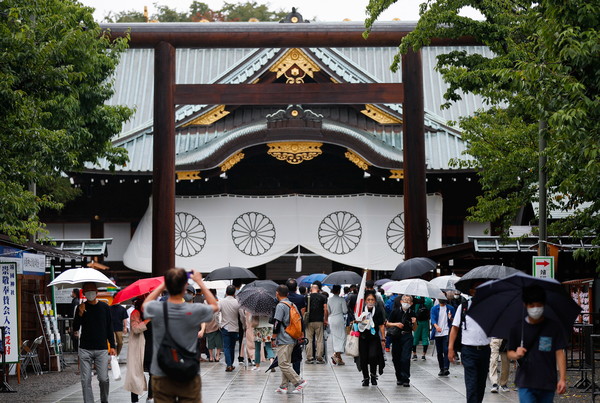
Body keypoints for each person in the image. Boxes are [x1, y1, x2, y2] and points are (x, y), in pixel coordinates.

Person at [143, 268, 218, 403]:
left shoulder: (158, 309)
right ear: (185, 287)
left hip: (161, 372)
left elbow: (145, 305)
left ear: (167, 287)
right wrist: (200, 282)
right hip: (188, 372)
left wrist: (162, 284)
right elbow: (214, 305)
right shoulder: (194, 310)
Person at [507, 285, 567, 402]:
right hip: (526, 381)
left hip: (547, 381)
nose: (536, 308)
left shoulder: (553, 327)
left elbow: (559, 352)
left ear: (544, 304)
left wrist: (563, 378)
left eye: (539, 305)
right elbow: (509, 352)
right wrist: (516, 355)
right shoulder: (518, 327)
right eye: (532, 305)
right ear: (525, 305)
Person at [73, 282, 117, 403]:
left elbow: (109, 327)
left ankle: (104, 400)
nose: (90, 293)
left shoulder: (105, 307)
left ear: (97, 292)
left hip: (101, 348)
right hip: (85, 348)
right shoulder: (81, 307)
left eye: (92, 290)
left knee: (103, 378)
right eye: (87, 290)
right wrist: (80, 314)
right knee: (85, 379)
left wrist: (112, 346)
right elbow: (75, 328)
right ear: (84, 292)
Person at [449, 282, 491, 403]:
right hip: (468, 350)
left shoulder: (489, 307)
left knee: (481, 383)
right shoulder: (463, 307)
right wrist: (451, 348)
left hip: (484, 350)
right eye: (476, 288)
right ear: (471, 291)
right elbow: (455, 328)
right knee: (471, 383)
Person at [273, 285, 308, 394]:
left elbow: (277, 322)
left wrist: (273, 337)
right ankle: (283, 386)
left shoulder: (280, 306)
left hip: (284, 338)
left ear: (277, 293)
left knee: (283, 363)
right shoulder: (292, 304)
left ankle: (299, 381)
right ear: (287, 294)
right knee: (286, 362)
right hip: (292, 337)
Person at [124, 297, 152, 403]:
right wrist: (147, 320)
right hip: (138, 347)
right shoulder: (135, 313)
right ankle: (134, 400)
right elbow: (135, 329)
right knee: (135, 374)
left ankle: (150, 397)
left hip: (151, 346)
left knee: (153, 372)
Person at [356, 291, 386, 386]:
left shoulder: (377, 310)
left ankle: (373, 375)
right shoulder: (361, 311)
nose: (370, 301)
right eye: (368, 299)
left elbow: (381, 325)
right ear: (365, 301)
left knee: (373, 356)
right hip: (363, 337)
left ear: (375, 301)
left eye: (372, 300)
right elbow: (356, 322)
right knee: (363, 358)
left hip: (374, 338)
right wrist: (360, 320)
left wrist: (383, 339)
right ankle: (365, 378)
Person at [386, 294, 417, 386]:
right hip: (396, 337)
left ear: (411, 303)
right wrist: (396, 324)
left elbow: (415, 328)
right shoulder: (395, 311)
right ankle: (399, 377)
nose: (406, 302)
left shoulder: (412, 313)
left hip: (407, 336)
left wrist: (414, 323)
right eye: (404, 300)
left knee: (405, 358)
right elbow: (387, 324)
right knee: (396, 358)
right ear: (401, 301)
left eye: (408, 301)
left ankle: (406, 378)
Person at [219, 285, 243, 372]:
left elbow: (216, 313)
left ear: (226, 292)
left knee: (226, 346)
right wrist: (243, 324)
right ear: (234, 293)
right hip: (234, 326)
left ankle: (229, 364)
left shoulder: (221, 302)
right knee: (232, 346)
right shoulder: (237, 302)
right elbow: (242, 316)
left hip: (225, 326)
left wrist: (219, 324)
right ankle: (231, 364)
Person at [430, 296, 455, 376]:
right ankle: (441, 368)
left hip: (447, 332)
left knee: (446, 350)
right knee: (439, 352)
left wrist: (451, 318)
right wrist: (436, 326)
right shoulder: (434, 308)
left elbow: (454, 320)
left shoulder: (450, 308)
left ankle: (446, 368)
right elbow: (433, 318)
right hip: (438, 333)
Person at [286, 278, 306, 374]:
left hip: (286, 327)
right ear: (296, 288)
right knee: (297, 350)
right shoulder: (301, 298)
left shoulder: (283, 299)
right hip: (297, 327)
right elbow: (302, 313)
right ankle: (296, 372)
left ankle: (289, 374)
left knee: (286, 351)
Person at [304, 281, 328, 364]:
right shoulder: (323, 297)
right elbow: (325, 309)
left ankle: (309, 358)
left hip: (309, 321)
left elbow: (304, 309)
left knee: (309, 339)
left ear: (311, 289)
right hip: (319, 320)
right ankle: (319, 357)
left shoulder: (307, 297)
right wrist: (325, 319)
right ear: (318, 290)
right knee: (319, 340)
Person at [327, 284, 348, 365]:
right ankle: (336, 354)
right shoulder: (341, 299)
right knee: (342, 337)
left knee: (335, 337)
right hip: (339, 318)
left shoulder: (329, 299)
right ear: (339, 291)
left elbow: (328, 310)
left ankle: (339, 358)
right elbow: (345, 310)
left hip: (331, 319)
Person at [204, 289, 222, 362]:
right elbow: (218, 315)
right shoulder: (217, 303)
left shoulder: (205, 302)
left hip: (208, 324)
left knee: (210, 341)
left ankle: (211, 357)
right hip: (216, 324)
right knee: (218, 341)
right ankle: (217, 356)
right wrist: (219, 324)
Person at [412, 296, 433, 360]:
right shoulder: (429, 300)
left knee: (415, 337)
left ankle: (414, 354)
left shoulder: (415, 299)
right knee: (425, 338)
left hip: (417, 321)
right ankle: (423, 355)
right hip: (425, 321)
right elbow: (431, 310)